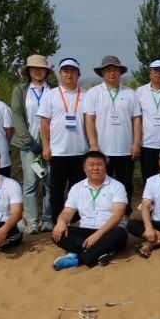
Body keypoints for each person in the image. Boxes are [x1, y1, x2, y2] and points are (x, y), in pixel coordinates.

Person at [51, 150, 129, 270]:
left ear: (105, 166)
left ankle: (78, 259)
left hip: (108, 231)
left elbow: (117, 216)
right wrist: (61, 222)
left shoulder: (117, 186)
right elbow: (67, 212)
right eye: (91, 165)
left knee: (120, 234)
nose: (95, 168)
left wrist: (97, 235)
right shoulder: (77, 188)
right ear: (84, 168)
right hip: (86, 231)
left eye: (99, 164)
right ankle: (102, 252)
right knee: (58, 233)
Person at [84, 55, 142, 215]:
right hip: (102, 150)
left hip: (125, 150)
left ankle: (124, 216)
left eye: (115, 69)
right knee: (101, 184)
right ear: (102, 73)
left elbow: (136, 119)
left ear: (120, 72)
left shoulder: (130, 93)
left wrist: (136, 143)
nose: (112, 72)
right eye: (108, 69)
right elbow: (89, 119)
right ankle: (102, 215)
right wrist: (93, 145)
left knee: (125, 185)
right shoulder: (93, 93)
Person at [39, 57, 88, 224]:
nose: (69, 74)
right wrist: (46, 146)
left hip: (81, 151)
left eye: (73, 71)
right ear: (60, 73)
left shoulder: (87, 95)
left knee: (79, 190)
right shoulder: (50, 95)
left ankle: (76, 222)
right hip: (58, 151)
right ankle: (57, 223)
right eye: (65, 71)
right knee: (56, 190)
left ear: (79, 74)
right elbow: (44, 124)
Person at [10, 54, 55, 235]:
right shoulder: (20, 90)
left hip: (51, 145)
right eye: (33, 68)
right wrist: (30, 142)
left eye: (41, 68)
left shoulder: (54, 90)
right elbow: (17, 116)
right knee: (31, 183)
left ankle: (48, 219)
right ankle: (32, 222)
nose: (37, 71)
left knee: (50, 182)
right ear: (28, 71)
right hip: (30, 147)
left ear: (46, 71)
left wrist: (47, 144)